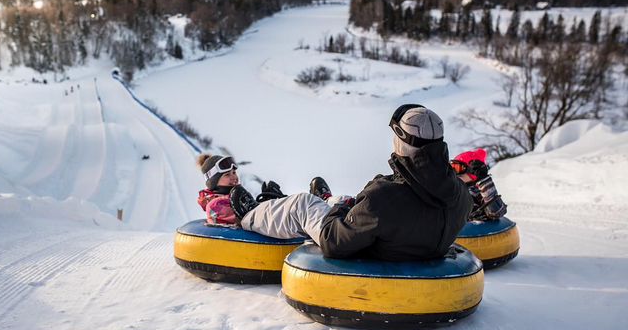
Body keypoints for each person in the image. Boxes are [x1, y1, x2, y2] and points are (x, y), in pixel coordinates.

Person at [229, 104, 473, 261]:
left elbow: (333, 242)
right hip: (404, 241)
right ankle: (328, 201)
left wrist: (341, 210)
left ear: (400, 141)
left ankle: (250, 215)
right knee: (346, 201)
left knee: (301, 204)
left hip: (369, 250)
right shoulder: (461, 194)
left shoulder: (383, 197)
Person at [197, 154, 346, 226]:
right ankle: (321, 208)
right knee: (299, 205)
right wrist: (261, 206)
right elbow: (244, 220)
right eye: (227, 175)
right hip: (258, 229)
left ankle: (325, 204)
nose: (233, 177)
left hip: (263, 222)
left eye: (234, 173)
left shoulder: (233, 196)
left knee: (338, 201)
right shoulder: (215, 205)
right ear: (214, 181)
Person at [450, 148, 507, 221]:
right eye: (452, 168)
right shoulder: (454, 190)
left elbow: (497, 212)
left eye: (457, 168)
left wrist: (483, 180)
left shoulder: (479, 194)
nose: (455, 173)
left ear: (472, 170)